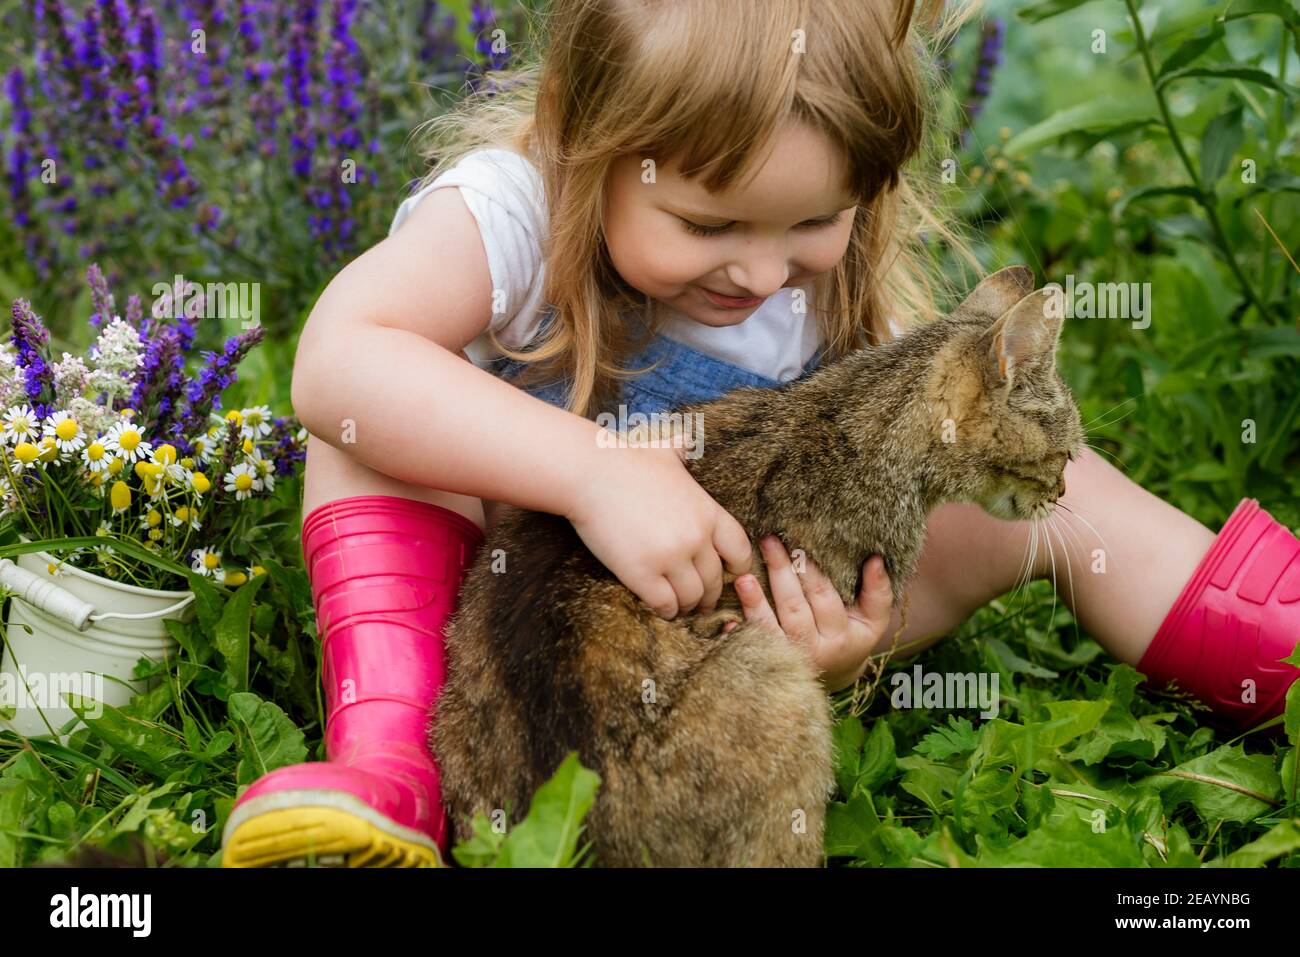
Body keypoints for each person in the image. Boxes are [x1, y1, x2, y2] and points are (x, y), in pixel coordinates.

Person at [220, 0, 1300, 868]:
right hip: (493, 608)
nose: (760, 272)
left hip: (711, 624)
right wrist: (593, 471)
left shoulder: (814, 295)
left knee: (1044, 496)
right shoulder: (510, 210)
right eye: (707, 224)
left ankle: (1277, 651)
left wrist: (832, 643)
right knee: (371, 418)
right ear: (586, 141)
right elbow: (337, 358)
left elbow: (840, 497)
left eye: (812, 223)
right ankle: (389, 763)